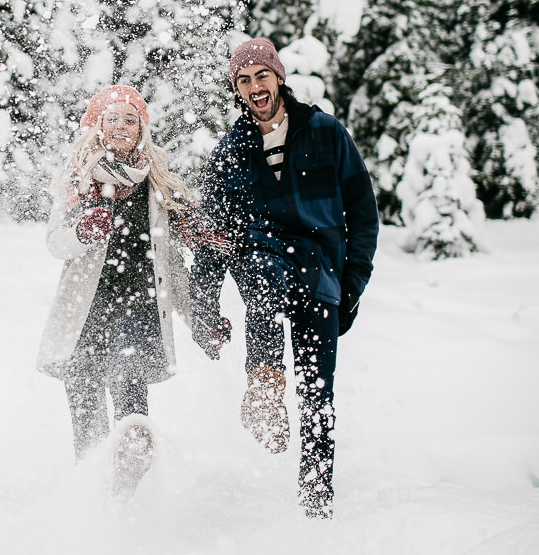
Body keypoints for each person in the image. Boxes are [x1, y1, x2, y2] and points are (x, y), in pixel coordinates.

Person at [190, 38, 379, 518]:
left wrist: (351, 286)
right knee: (261, 269)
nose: (255, 88)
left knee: (319, 394)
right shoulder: (231, 152)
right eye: (244, 81)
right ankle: (266, 383)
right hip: (262, 267)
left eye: (261, 76)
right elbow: (214, 237)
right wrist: (204, 308)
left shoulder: (326, 133)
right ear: (237, 91)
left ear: (279, 78)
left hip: (320, 276)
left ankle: (317, 504)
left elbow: (363, 214)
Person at [38, 84, 194, 498]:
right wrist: (82, 231)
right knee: (88, 420)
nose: (122, 126)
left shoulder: (156, 186)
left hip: (138, 313)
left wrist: (201, 320)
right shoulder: (79, 178)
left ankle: (133, 498)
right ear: (98, 126)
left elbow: (172, 266)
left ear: (141, 129)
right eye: (113, 119)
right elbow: (56, 242)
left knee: (132, 423)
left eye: (131, 120)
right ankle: (91, 501)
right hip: (86, 316)